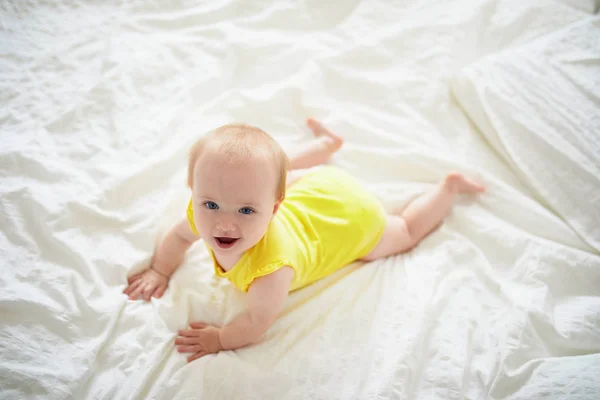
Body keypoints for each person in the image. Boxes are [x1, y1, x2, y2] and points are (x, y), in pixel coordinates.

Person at [123, 119, 486, 362]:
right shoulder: (200, 211)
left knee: (404, 232)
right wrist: (160, 268)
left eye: (247, 212)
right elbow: (178, 237)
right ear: (195, 192)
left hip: (352, 219)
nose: (225, 224)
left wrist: (219, 339)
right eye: (211, 204)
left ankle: (447, 188)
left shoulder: (272, 269)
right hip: (319, 185)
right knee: (271, 169)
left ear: (275, 207)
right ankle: (327, 144)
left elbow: (255, 322)